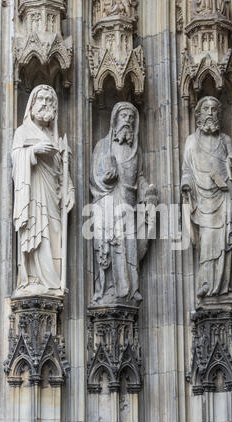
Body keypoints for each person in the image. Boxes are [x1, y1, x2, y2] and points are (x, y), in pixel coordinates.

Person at [90, 102, 157, 306]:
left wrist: (147, 190)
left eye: (131, 118)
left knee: (129, 247)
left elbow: (140, 177)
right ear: (115, 120)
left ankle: (130, 289)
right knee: (110, 245)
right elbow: (94, 178)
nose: (127, 120)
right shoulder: (103, 146)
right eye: (124, 116)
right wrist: (106, 179)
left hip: (128, 204)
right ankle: (109, 288)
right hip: (108, 203)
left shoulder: (136, 151)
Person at [181, 96, 232, 305]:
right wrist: (186, 185)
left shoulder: (225, 141)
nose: (210, 113)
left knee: (226, 243)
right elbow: (187, 171)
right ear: (198, 114)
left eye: (214, 109)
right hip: (204, 201)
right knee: (208, 242)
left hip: (225, 198)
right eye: (206, 109)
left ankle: (225, 286)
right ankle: (209, 285)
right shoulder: (191, 141)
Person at [12, 85, 75, 297]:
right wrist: (33, 152)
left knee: (53, 236)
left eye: (50, 101)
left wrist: (70, 190)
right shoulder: (23, 132)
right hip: (32, 196)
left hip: (51, 199)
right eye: (41, 100)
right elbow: (15, 161)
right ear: (32, 104)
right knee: (36, 235)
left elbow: (62, 174)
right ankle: (33, 279)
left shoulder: (57, 139)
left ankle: (52, 283)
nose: (45, 104)